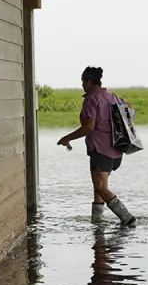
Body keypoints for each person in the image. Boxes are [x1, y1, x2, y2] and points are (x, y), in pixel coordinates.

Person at [57, 66, 137, 226]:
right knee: (99, 187)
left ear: (89, 81)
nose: (82, 85)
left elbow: (89, 127)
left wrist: (67, 138)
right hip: (115, 150)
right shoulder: (112, 97)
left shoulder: (91, 99)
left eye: (83, 81)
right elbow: (129, 106)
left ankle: (127, 218)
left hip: (100, 150)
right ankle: (97, 222)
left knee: (100, 188)